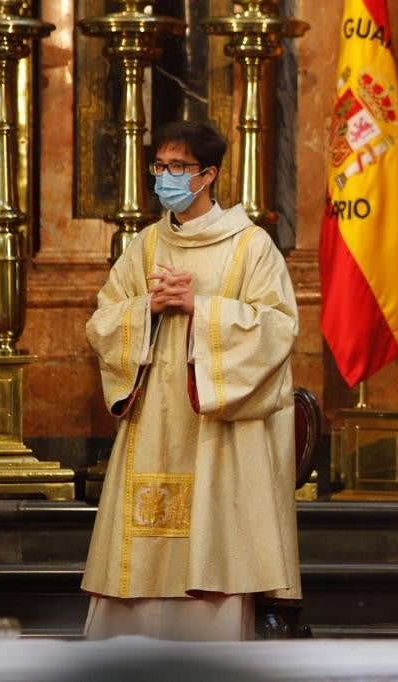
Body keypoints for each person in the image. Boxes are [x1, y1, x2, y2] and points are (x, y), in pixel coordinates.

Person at [82, 121, 301, 641]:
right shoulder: (144, 246)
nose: (166, 177)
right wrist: (147, 309)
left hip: (217, 425)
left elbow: (277, 327)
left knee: (211, 535)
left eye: (178, 167)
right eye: (160, 166)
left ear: (208, 175)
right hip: (154, 418)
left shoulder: (251, 247)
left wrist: (200, 307)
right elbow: (102, 321)